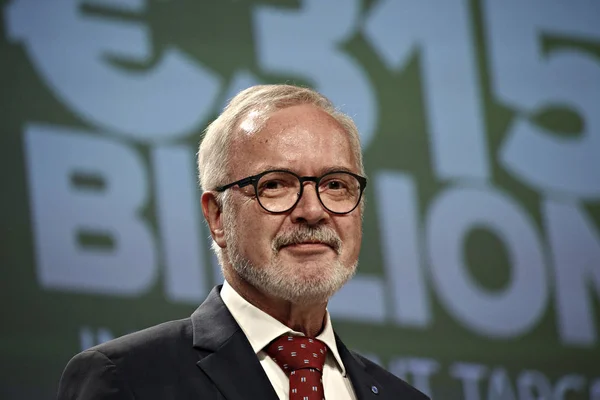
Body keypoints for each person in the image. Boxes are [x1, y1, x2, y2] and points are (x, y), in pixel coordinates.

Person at [57, 84, 429, 400]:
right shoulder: (128, 379)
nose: (313, 211)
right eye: (276, 184)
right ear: (218, 216)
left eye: (335, 184)